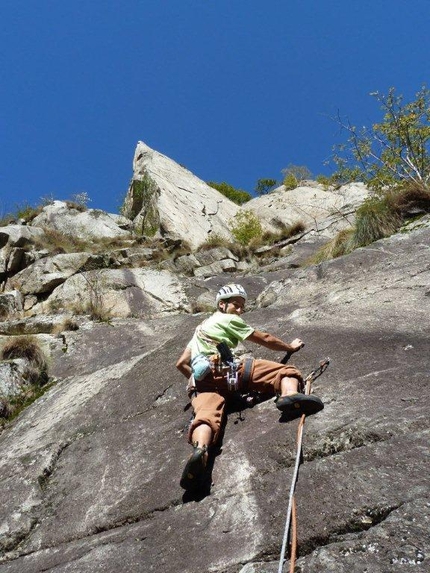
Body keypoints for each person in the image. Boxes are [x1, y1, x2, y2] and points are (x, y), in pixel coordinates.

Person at [176, 283, 323, 490]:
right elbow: (264, 339)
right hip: (227, 372)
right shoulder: (227, 319)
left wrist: (200, 382)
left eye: (241, 307)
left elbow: (181, 363)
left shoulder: (199, 330)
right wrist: (290, 347)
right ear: (222, 305)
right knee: (283, 371)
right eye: (236, 305)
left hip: (203, 382)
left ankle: (201, 451)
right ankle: (290, 394)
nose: (239, 310)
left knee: (206, 415)